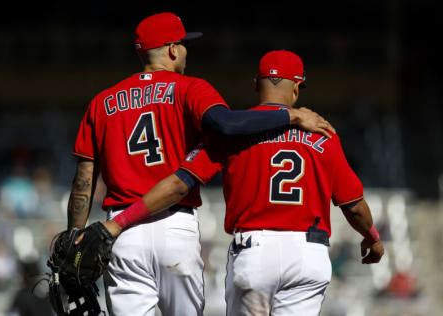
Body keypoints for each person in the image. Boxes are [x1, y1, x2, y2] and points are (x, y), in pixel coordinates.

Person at [68, 11, 334, 316]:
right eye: (183, 45)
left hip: (122, 232)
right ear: (171, 50)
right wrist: (293, 114)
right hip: (173, 225)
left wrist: (73, 236)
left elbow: (83, 179)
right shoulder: (189, 88)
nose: (185, 51)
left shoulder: (102, 102)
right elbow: (226, 124)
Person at [104, 50, 384, 316]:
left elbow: (179, 185)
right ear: (297, 88)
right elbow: (354, 206)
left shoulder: (232, 134)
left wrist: (120, 221)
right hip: (307, 254)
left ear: (255, 85)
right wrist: (372, 237)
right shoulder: (323, 135)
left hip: (254, 252)